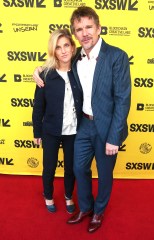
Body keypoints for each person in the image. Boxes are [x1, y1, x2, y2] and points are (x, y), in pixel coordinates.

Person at [33, 6, 131, 233]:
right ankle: (85, 207)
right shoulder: (76, 56)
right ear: (75, 34)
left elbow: (123, 99)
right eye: (79, 29)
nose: (84, 33)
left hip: (107, 127)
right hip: (84, 124)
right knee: (78, 168)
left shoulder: (117, 56)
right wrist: (38, 70)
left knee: (105, 174)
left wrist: (114, 137)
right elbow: (57, 62)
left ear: (98, 28)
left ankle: (98, 211)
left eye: (89, 27)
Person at [32, 29, 83, 214]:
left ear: (72, 47)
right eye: (58, 47)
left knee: (71, 167)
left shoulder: (80, 71)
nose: (63, 51)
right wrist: (37, 132)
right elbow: (38, 107)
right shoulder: (46, 75)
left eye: (66, 45)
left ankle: (69, 196)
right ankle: (48, 195)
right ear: (53, 51)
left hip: (74, 130)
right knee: (50, 167)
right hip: (51, 130)